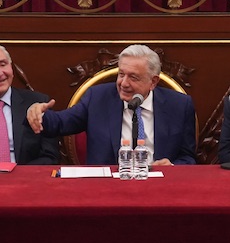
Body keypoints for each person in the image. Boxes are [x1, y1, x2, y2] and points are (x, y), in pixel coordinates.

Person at [26, 44, 197, 165]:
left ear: (153, 82)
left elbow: (188, 158)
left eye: (133, 77)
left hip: (159, 188)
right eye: (121, 74)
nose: (124, 83)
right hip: (106, 188)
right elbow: (60, 123)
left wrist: (172, 167)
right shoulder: (97, 98)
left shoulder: (180, 105)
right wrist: (38, 114)